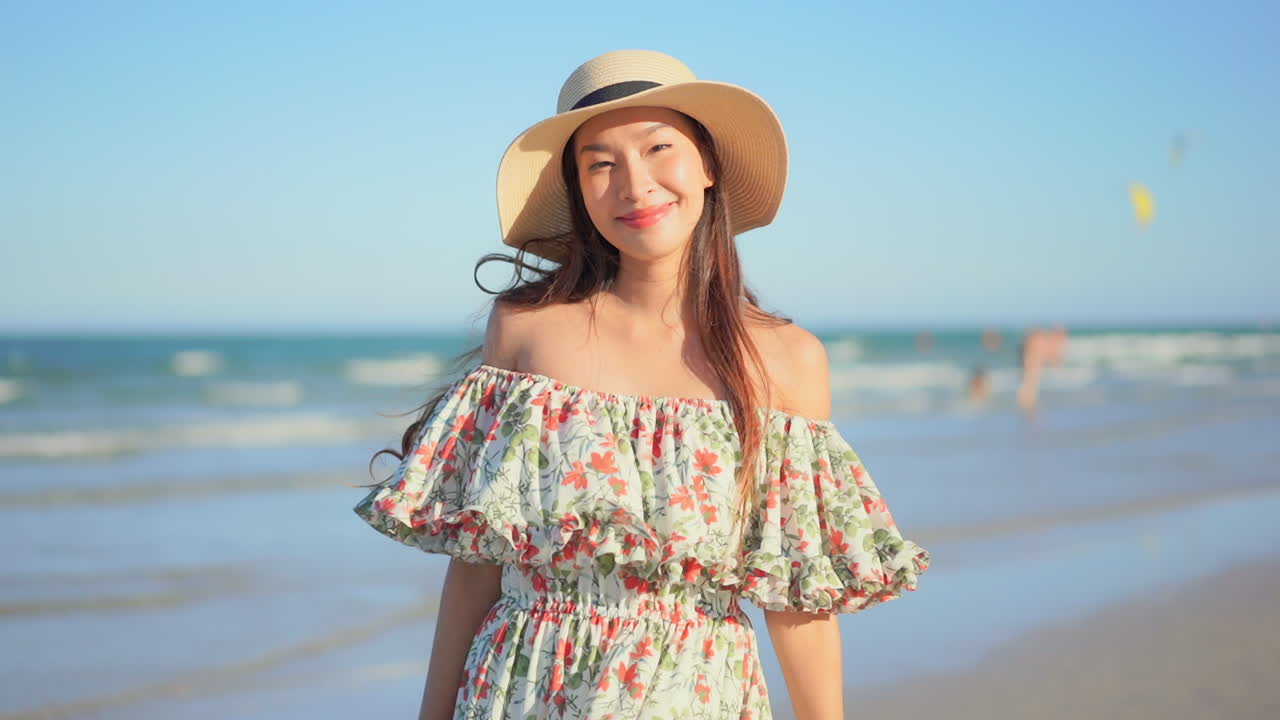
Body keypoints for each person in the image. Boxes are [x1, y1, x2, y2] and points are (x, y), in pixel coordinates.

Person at [354, 50, 929, 720]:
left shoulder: (786, 360)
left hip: (695, 694)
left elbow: (796, 595)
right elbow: (480, 561)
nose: (634, 184)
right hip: (522, 686)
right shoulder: (526, 330)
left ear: (708, 165)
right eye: (600, 163)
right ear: (578, 188)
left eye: (659, 148)